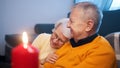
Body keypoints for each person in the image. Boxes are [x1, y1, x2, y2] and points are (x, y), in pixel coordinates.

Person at [44, 2, 117, 68]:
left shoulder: (102, 52)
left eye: (72, 21)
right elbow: (48, 64)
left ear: (89, 25)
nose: (68, 25)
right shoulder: (71, 42)